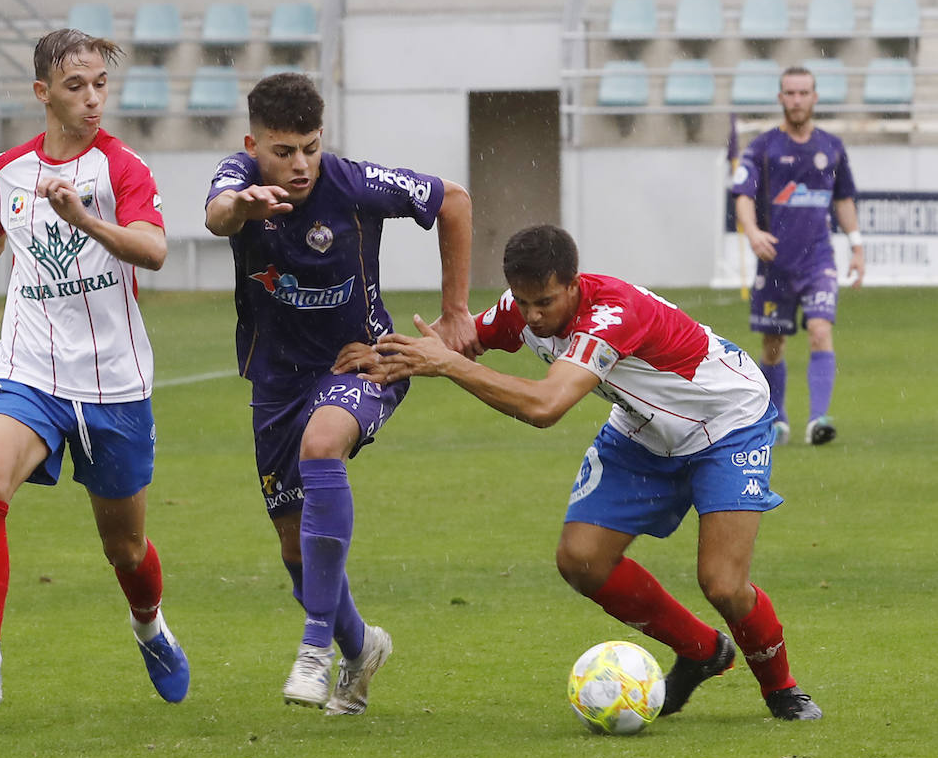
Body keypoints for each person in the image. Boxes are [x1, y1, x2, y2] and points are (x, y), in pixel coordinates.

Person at [357, 224, 821, 720]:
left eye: (546, 303)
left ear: (574, 284)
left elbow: (545, 405)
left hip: (727, 421)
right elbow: (458, 338)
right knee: (581, 559)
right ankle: (702, 652)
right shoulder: (524, 310)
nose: (533, 317)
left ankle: (782, 690)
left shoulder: (609, 317)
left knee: (723, 585)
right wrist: (383, 355)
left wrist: (447, 366)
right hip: (643, 427)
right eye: (523, 301)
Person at [0, 29, 189, 713]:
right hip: (27, 373)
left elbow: (155, 250)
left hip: (113, 383)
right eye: (75, 86)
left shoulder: (122, 168)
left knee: (126, 547)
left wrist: (84, 218)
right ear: (42, 92)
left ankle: (149, 625)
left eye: (100, 85)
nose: (91, 99)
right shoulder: (6, 171)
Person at [204, 71, 476, 714]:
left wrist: (456, 311)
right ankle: (361, 647)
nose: (299, 166)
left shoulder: (353, 183)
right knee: (295, 550)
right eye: (282, 152)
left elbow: (455, 201)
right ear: (253, 145)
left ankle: (315, 648)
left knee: (322, 445)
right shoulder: (236, 178)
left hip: (365, 362)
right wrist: (242, 207)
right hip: (276, 379)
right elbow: (217, 215)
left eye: (310, 147)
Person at [731, 65, 864, 447]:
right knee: (773, 345)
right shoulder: (763, 147)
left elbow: (843, 199)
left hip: (817, 259)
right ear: (780, 98)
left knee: (821, 330)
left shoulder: (832, 148)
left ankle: (818, 420)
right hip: (775, 262)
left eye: (803, 93)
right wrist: (753, 232)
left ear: (815, 97)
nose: (797, 100)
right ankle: (778, 420)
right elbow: (742, 195)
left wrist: (856, 245)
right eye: (790, 93)